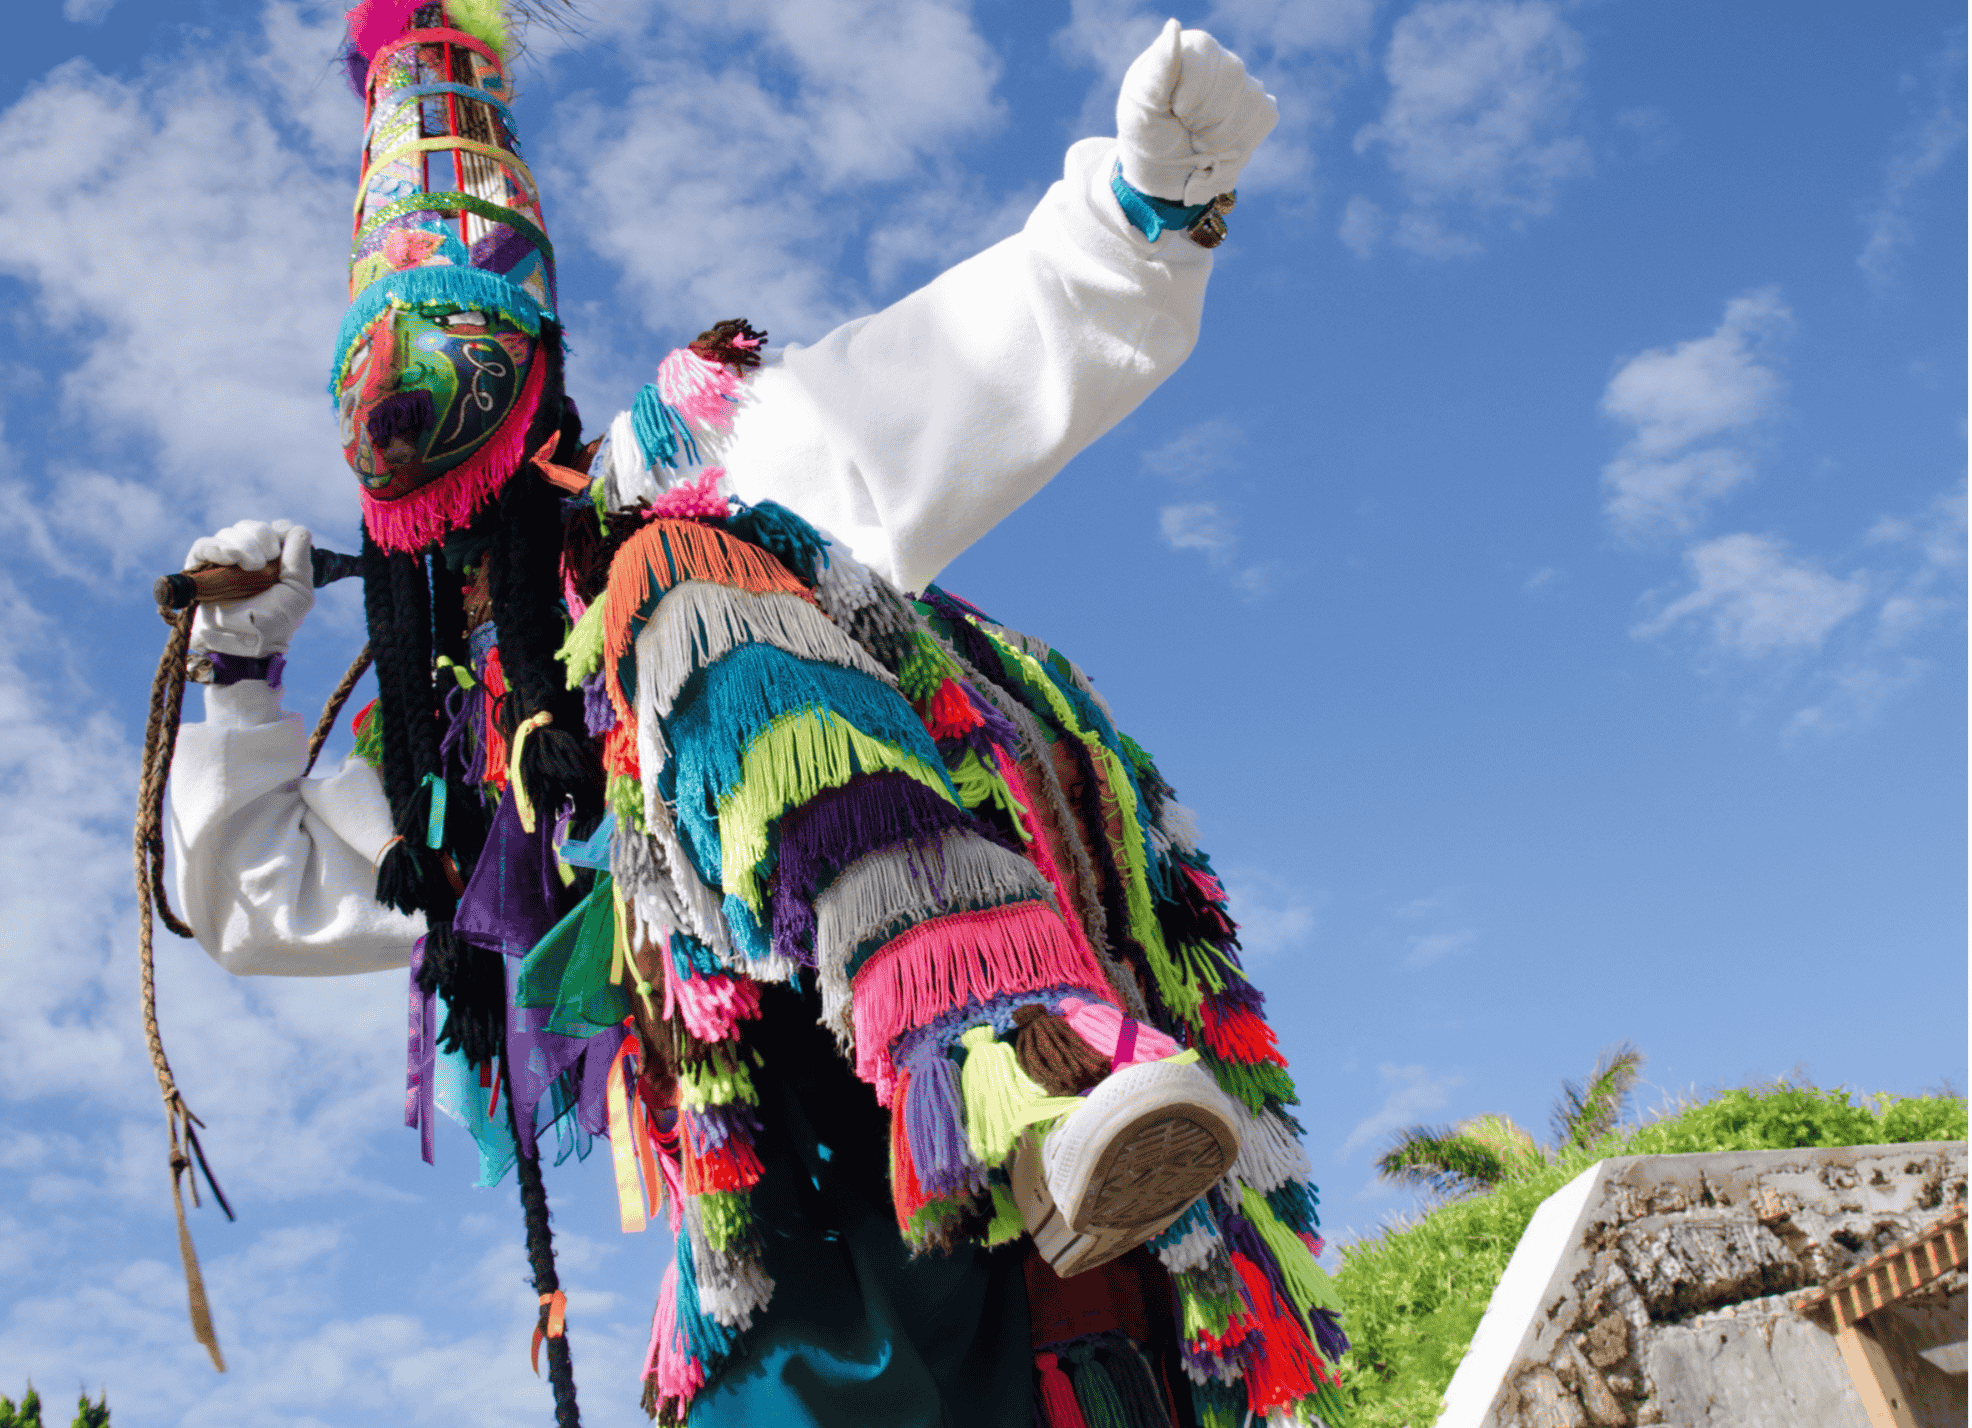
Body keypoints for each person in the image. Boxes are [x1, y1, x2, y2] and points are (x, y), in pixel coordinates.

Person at [168, 5, 1344, 1425]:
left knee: (678, 583)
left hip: (1010, 1213)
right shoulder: (460, 752)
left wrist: (1136, 215)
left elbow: (952, 375)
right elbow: (259, 896)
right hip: (785, 1243)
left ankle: (1011, 1054)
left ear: (535, 378)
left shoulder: (694, 489)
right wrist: (234, 679)